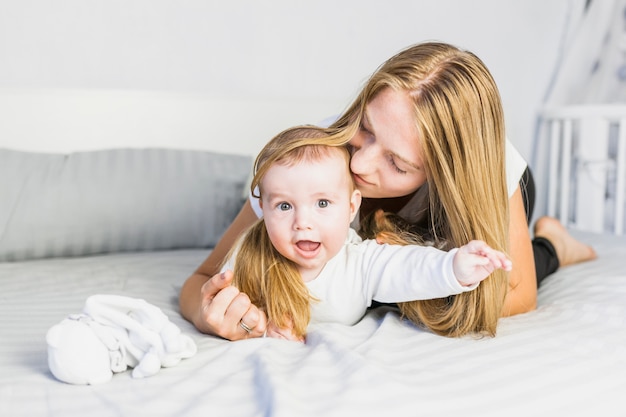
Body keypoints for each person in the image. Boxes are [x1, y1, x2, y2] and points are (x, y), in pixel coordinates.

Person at [179, 41, 596, 340]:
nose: (359, 164)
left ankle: (553, 242)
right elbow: (201, 278)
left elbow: (518, 298)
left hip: (475, 206)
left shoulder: (490, 166)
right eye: (365, 129)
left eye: (397, 163)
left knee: (492, 270)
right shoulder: (306, 169)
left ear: (442, 172)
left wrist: (387, 278)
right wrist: (206, 313)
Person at [220, 125, 512, 342]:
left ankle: (550, 244)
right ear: (263, 209)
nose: (302, 222)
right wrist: (257, 321)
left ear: (351, 208)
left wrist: (455, 266)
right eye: (284, 205)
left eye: (322, 203)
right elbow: (226, 302)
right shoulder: (249, 252)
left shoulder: (359, 260)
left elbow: (408, 268)